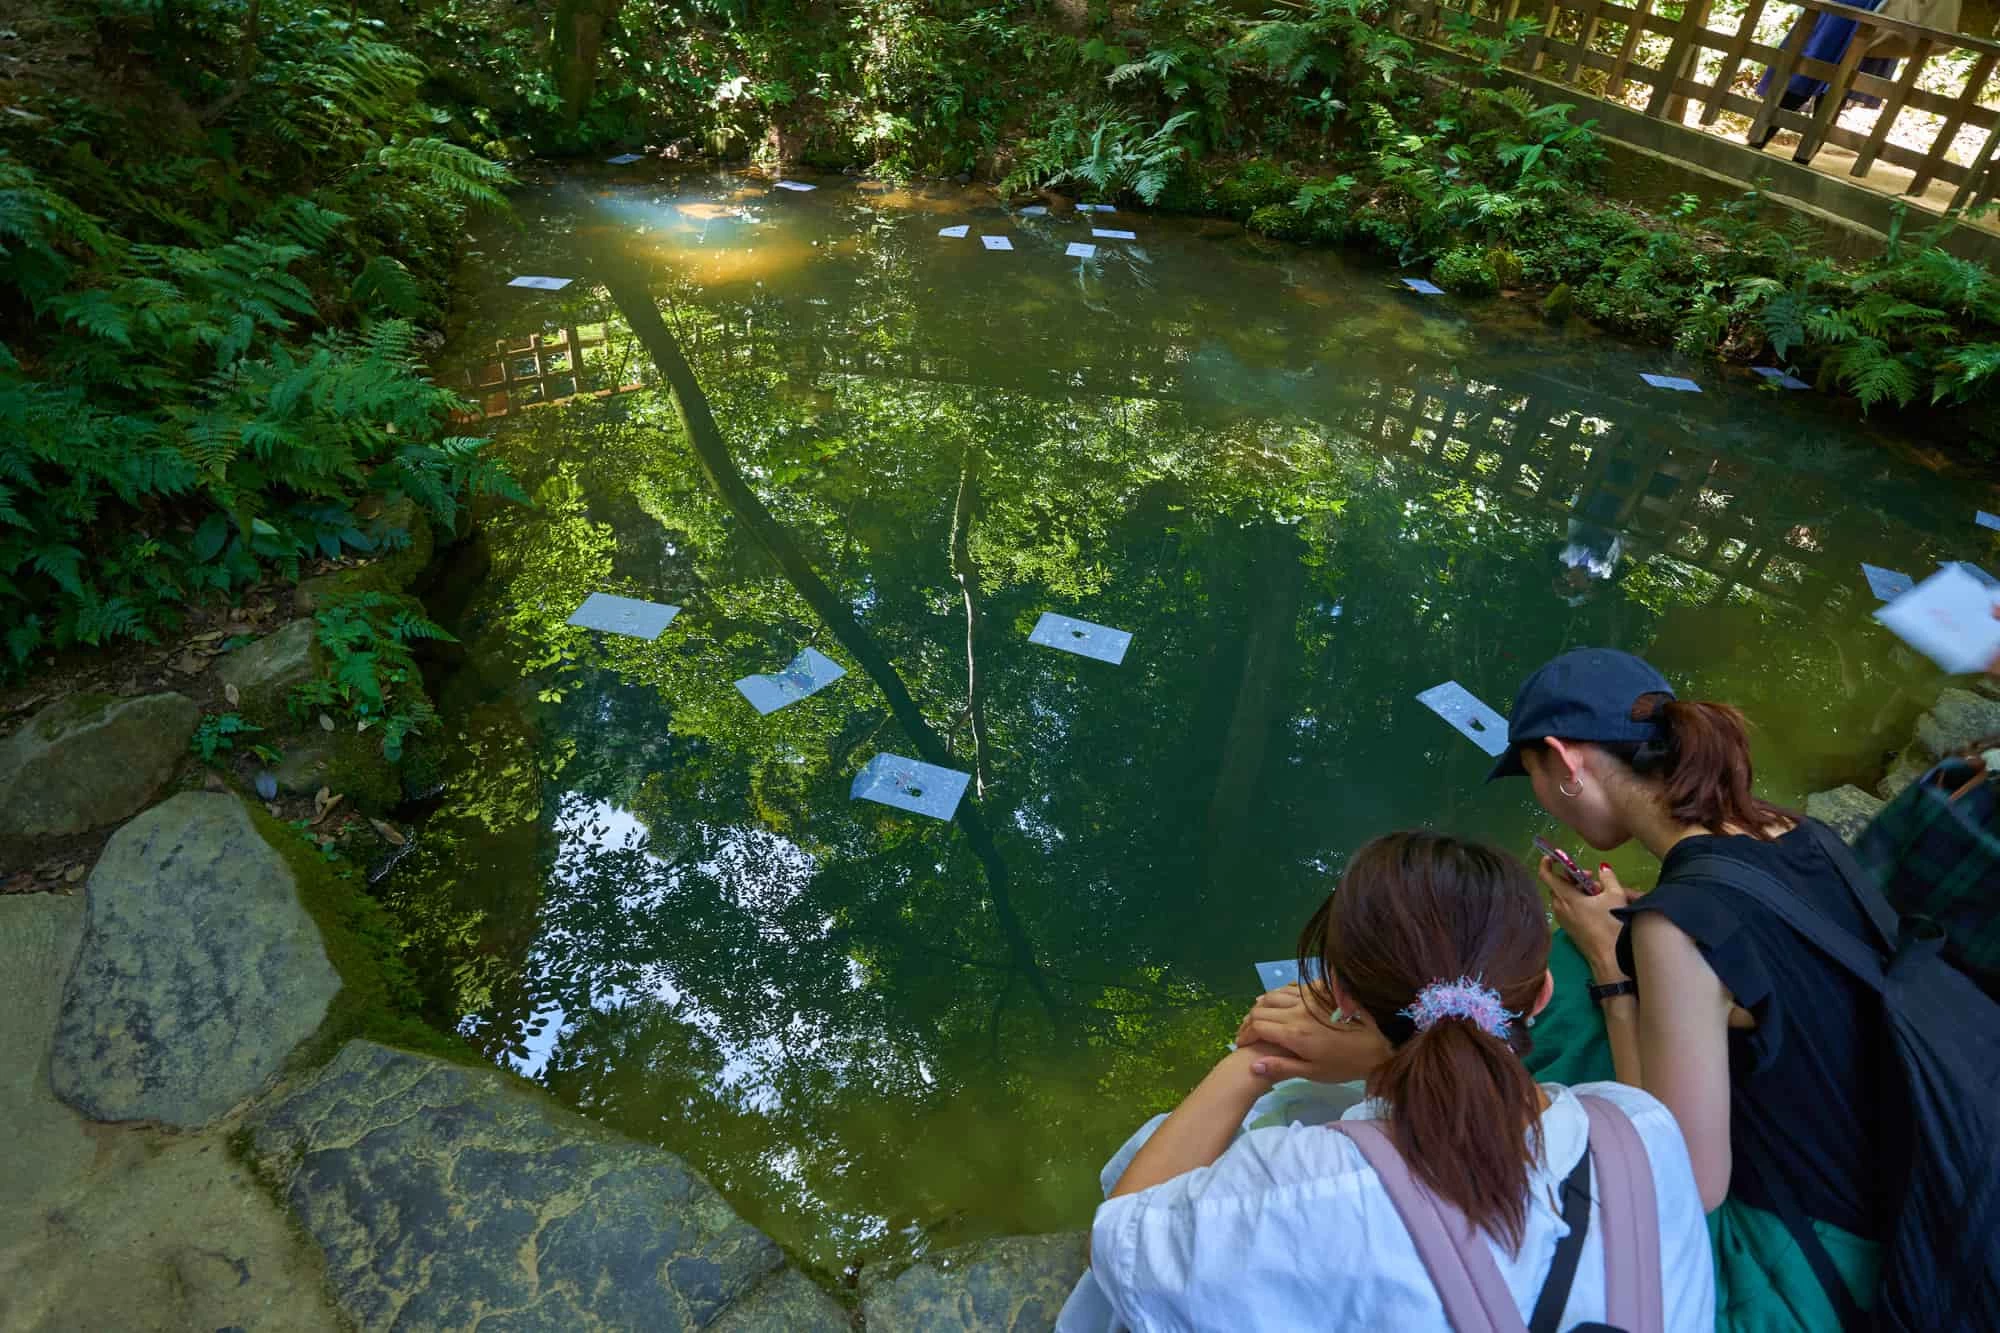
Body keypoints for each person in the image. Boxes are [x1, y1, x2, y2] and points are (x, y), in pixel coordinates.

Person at [1058, 831, 1714, 1332]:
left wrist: (1250, 1063)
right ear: (1540, 994)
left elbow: (1119, 1241)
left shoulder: (1298, 1182)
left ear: (1342, 994)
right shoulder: (1644, 1134)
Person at [1490, 647, 1891, 1328]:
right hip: (1888, 1167)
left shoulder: (1675, 929)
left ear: (1564, 760)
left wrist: (1610, 964)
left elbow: (1684, 1183)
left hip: (1816, 1264)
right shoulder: (1799, 830)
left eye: (1531, 771)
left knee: (1571, 1011)